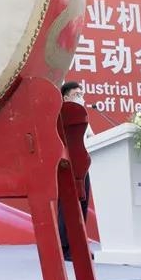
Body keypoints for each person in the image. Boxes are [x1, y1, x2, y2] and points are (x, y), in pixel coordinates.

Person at [56, 80, 93, 261]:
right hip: (67, 166)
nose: (81, 97)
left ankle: (78, 246)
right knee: (67, 207)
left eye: (81, 94)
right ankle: (64, 247)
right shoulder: (62, 114)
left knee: (82, 206)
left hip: (83, 166)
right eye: (76, 95)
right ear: (65, 97)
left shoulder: (82, 115)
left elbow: (91, 139)